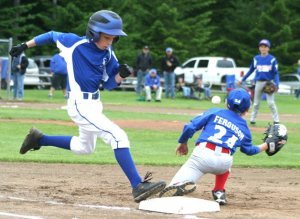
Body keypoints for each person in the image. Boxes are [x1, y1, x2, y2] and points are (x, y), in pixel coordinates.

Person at [9, 10, 166, 203]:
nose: (109, 42)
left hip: (94, 104)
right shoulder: (73, 43)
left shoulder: (108, 53)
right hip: (79, 104)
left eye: (113, 38)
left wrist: (121, 75)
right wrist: (25, 45)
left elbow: (109, 84)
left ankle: (39, 140)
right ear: (94, 32)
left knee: (85, 148)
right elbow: (50, 35)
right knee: (118, 136)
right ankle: (137, 185)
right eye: (106, 37)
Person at [159, 88, 269, 205]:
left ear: (226, 102)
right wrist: (266, 145)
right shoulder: (244, 128)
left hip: (202, 157)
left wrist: (183, 142)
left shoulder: (215, 112)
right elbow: (249, 150)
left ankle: (179, 184)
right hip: (224, 163)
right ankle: (219, 191)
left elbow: (190, 127)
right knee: (227, 160)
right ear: (247, 109)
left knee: (173, 187)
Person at [240, 39, 280, 125]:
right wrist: (243, 79)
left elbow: (276, 73)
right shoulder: (256, 59)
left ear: (268, 48)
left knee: (271, 103)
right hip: (258, 82)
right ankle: (252, 119)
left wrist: (277, 84)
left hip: (269, 83)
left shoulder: (272, 59)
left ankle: (276, 120)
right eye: (261, 46)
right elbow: (251, 70)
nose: (263, 48)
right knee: (256, 103)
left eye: (265, 47)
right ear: (259, 48)